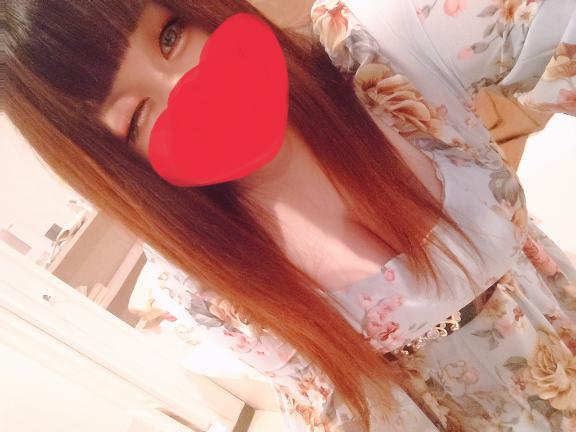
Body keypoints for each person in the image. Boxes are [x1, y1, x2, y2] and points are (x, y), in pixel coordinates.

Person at [4, 0, 576, 430]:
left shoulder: (373, 49)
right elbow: (343, 409)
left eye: (171, 36)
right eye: (135, 116)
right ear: (117, 161)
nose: (191, 88)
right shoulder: (202, 283)